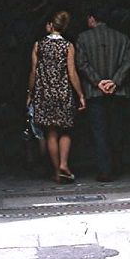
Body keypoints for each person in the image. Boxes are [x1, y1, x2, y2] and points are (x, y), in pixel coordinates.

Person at [26, 11, 86, 183]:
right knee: (66, 130)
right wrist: (80, 94)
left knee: (50, 133)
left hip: (44, 94)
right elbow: (72, 72)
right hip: (63, 93)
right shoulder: (68, 46)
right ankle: (64, 164)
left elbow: (33, 72)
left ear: (50, 25)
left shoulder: (39, 45)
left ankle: (56, 171)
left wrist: (30, 94)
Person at [75, 7, 130, 182]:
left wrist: (97, 82)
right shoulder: (122, 38)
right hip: (117, 92)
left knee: (99, 132)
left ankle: (104, 170)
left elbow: (82, 64)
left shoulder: (83, 38)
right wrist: (114, 81)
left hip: (95, 93)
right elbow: (128, 62)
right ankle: (117, 166)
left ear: (92, 19)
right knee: (116, 129)